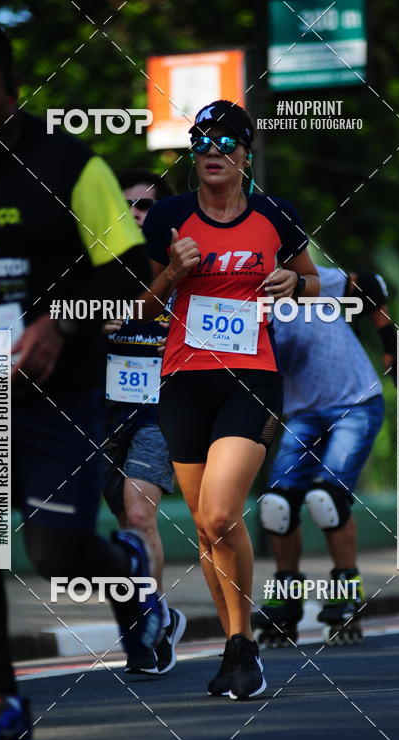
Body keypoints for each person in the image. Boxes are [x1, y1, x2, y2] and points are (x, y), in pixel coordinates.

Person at [0, 19, 162, 740]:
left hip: (56, 393)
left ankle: (128, 573)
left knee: (57, 553)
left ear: (11, 90)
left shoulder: (71, 167)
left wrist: (58, 322)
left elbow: (127, 272)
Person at [139, 99, 320, 699]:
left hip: (252, 378)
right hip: (183, 382)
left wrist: (294, 281)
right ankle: (232, 645)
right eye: (201, 143)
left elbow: (314, 282)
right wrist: (172, 274)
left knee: (221, 513)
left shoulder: (275, 214)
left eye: (225, 143)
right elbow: (135, 309)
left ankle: (244, 645)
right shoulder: (166, 215)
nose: (212, 152)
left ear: (246, 154)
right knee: (203, 526)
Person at [253, 264, 396, 646]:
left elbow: (371, 283)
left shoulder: (307, 279)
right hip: (300, 414)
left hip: (357, 402)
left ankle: (346, 591)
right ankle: (286, 601)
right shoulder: (238, 301)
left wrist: (391, 343)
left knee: (326, 499)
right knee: (277, 506)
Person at [102, 168, 185, 676]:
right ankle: (161, 615)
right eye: (127, 205)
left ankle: (149, 629)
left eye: (147, 206)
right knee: (126, 529)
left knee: (139, 514)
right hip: (103, 412)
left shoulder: (187, 272)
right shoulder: (97, 272)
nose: (135, 214)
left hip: (162, 409)